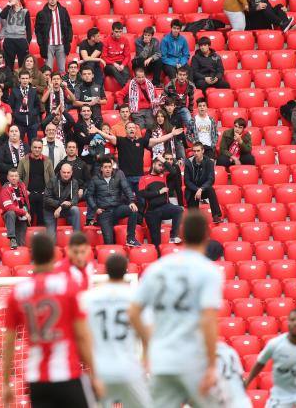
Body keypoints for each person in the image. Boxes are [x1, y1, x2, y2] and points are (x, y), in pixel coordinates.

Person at [128, 210, 223, 408]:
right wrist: (212, 364)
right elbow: (208, 319)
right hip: (193, 360)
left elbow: (134, 311)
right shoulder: (209, 271)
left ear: (181, 231)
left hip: (162, 361)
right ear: (207, 234)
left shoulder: (158, 268)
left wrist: (148, 343)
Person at [2, 233, 101, 408]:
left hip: (36, 379)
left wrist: (6, 382)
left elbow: (9, 341)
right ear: (53, 255)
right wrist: (95, 373)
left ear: (32, 256)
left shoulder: (17, 292)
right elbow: (82, 335)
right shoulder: (68, 287)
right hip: (67, 374)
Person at [83, 254, 152, 408]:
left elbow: (82, 335)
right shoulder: (136, 297)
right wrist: (146, 359)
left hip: (100, 370)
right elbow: (147, 333)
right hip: (129, 368)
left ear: (106, 270)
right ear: (126, 271)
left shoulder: (89, 298)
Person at [85, 156, 138, 246]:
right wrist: (95, 208)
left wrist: (132, 202)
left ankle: (131, 239)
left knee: (133, 210)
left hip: (117, 209)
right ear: (101, 169)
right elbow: (89, 196)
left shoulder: (118, 176)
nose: (108, 169)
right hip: (104, 213)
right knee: (109, 242)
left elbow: (126, 188)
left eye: (110, 167)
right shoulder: (95, 179)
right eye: (105, 167)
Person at [138, 156, 185, 247]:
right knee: (156, 242)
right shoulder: (144, 178)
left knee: (178, 210)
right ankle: (158, 257)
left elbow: (174, 171)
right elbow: (143, 194)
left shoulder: (164, 176)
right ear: (153, 164)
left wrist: (164, 160)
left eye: (162, 166)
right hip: (151, 212)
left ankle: (173, 235)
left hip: (165, 207)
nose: (161, 168)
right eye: (159, 165)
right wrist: (159, 192)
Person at [18, 139, 56, 227]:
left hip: (43, 194)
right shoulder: (23, 161)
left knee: (42, 220)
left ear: (42, 148)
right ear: (31, 148)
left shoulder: (47, 161)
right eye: (35, 147)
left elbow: (52, 179)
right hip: (28, 194)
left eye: (39, 147)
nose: (37, 149)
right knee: (27, 220)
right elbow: (18, 178)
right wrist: (24, 191)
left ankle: (40, 237)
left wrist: (47, 192)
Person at [184, 143, 223, 223]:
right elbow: (187, 181)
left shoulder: (209, 162)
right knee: (193, 220)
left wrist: (201, 189)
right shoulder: (188, 162)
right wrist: (196, 189)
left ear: (203, 151)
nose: (196, 153)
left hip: (203, 189)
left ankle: (216, 216)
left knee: (211, 190)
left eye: (198, 151)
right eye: (194, 151)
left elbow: (211, 179)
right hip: (192, 190)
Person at [35, 0, 73, 72]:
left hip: (61, 45)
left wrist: (69, 39)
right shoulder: (41, 13)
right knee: (48, 70)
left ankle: (62, 85)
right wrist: (41, 43)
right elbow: (37, 30)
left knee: (62, 70)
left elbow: (69, 25)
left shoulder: (63, 11)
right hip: (48, 45)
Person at [43, 162, 82, 237]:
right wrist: (61, 204)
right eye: (64, 172)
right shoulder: (52, 181)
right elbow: (46, 198)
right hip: (50, 210)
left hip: (65, 209)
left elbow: (74, 201)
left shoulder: (74, 183)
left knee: (75, 209)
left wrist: (61, 207)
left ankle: (77, 239)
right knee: (51, 238)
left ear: (71, 173)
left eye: (68, 172)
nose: (66, 174)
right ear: (60, 172)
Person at [1, 168, 32, 249]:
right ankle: (12, 238)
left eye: (15, 176)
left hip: (22, 216)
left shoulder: (22, 185)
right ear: (8, 177)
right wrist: (24, 212)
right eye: (11, 176)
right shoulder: (5, 189)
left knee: (21, 243)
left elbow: (26, 201)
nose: (14, 178)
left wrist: (28, 212)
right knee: (11, 212)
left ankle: (20, 258)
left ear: (18, 177)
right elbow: (8, 207)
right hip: (11, 216)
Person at [0, 0, 32, 69]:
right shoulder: (8, 10)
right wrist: (8, 5)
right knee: (8, 65)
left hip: (21, 40)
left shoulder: (25, 11)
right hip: (9, 40)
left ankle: (22, 80)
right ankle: (9, 80)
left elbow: (28, 28)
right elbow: (2, 15)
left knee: (23, 64)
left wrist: (28, 41)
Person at [102, 22, 132, 87]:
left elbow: (127, 56)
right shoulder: (106, 41)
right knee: (114, 69)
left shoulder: (125, 40)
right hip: (109, 64)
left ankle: (124, 92)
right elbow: (104, 57)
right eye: (116, 32)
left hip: (121, 62)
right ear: (112, 31)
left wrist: (123, 65)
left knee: (126, 73)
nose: (118, 34)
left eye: (120, 32)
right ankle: (126, 89)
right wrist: (114, 64)